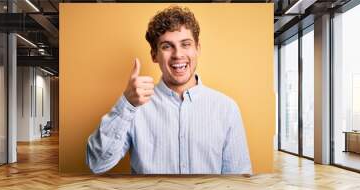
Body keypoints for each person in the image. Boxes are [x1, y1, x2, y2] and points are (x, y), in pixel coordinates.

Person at [87, 5, 252, 174]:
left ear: (197, 49)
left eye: (186, 44)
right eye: (167, 46)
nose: (178, 54)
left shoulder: (227, 108)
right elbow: (96, 163)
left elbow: (238, 177)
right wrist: (126, 105)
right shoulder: (134, 107)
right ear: (154, 55)